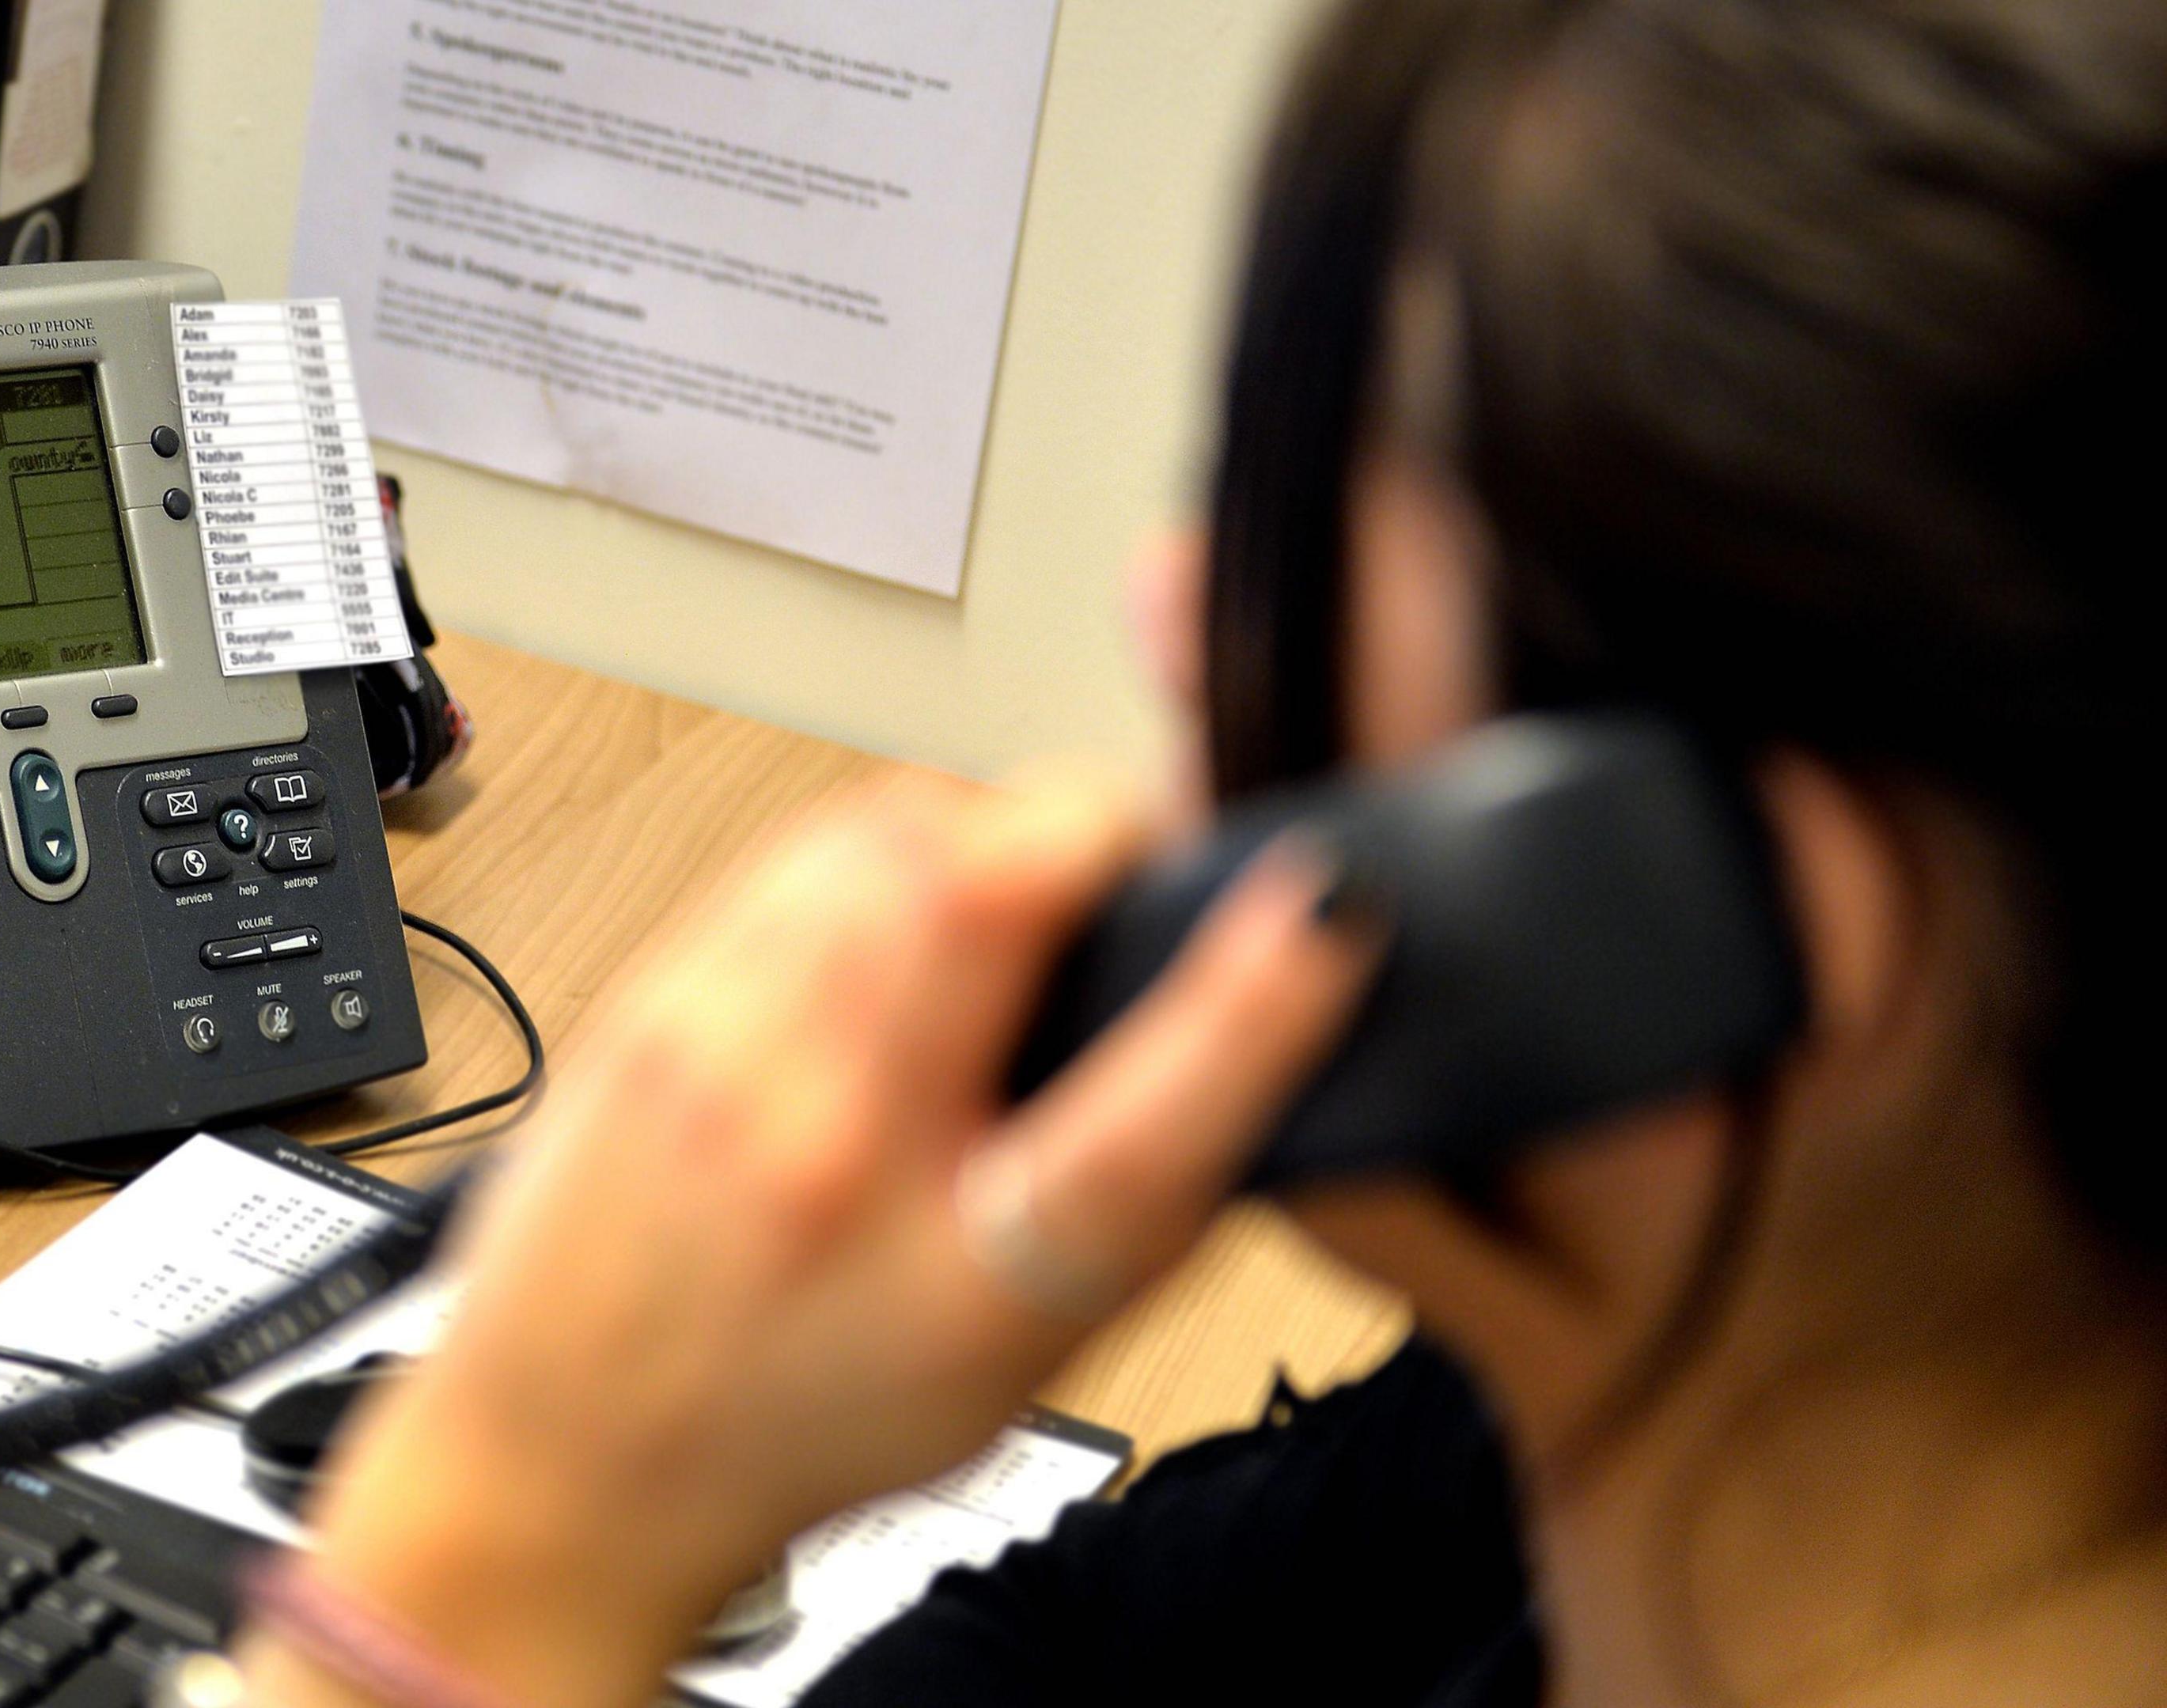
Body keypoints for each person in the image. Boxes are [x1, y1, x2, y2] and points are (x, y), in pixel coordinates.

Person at [218, 0, 2167, 1702]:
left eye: (1286, 512)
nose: (1174, 610)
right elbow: (1062, 1659)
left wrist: (472, 1571)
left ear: (1719, 920)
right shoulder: (1650, 1440)